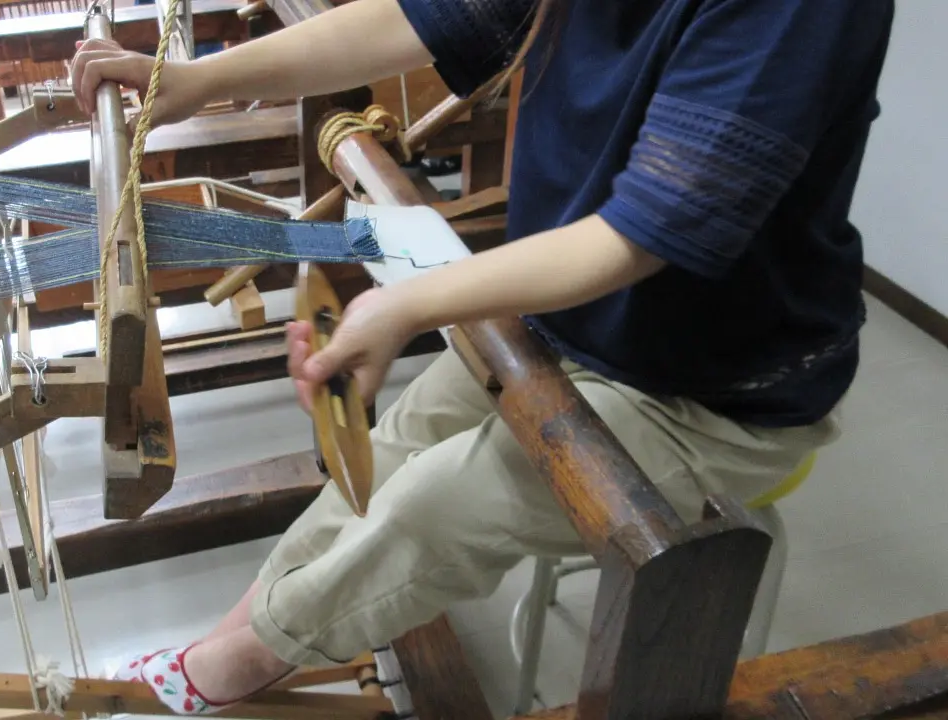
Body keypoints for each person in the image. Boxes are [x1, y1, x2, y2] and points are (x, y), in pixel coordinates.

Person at [70, 0, 895, 713]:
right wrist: (187, 83)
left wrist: (403, 304)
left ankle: (240, 662)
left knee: (434, 504)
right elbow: (415, 17)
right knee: (389, 452)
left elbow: (642, 236)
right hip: (564, 329)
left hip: (718, 396)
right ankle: (244, 631)